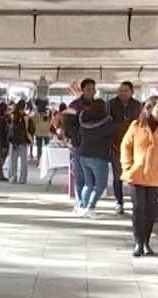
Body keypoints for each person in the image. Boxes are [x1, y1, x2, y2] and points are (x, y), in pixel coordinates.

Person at [120, 96, 158, 257]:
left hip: (157, 176)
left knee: (151, 210)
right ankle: (139, 242)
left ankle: (146, 242)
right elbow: (126, 146)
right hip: (137, 174)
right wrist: (127, 166)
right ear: (149, 108)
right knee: (139, 209)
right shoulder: (136, 126)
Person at [76, 99, 118, 218]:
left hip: (83, 154)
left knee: (88, 184)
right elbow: (116, 131)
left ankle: (83, 207)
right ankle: (90, 207)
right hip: (98, 156)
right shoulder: (106, 123)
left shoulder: (83, 120)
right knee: (100, 185)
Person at [107, 81, 142, 214]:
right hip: (117, 145)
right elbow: (107, 122)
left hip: (135, 146)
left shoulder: (137, 105)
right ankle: (119, 202)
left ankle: (136, 202)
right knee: (118, 176)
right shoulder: (110, 104)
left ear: (132, 92)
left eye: (125, 90)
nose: (122, 93)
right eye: (120, 90)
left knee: (135, 175)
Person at [64, 78, 96, 212]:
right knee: (80, 175)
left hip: (95, 146)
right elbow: (68, 126)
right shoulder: (74, 105)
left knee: (92, 175)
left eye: (93, 88)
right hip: (79, 145)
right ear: (82, 90)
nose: (92, 91)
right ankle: (80, 202)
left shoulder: (99, 105)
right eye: (89, 89)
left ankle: (87, 202)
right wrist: (81, 135)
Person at [7, 99, 35, 184]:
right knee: (24, 162)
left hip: (13, 141)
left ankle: (12, 178)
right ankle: (22, 179)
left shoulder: (12, 116)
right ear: (25, 107)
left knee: (13, 161)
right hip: (23, 141)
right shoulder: (27, 117)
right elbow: (32, 129)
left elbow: (7, 127)